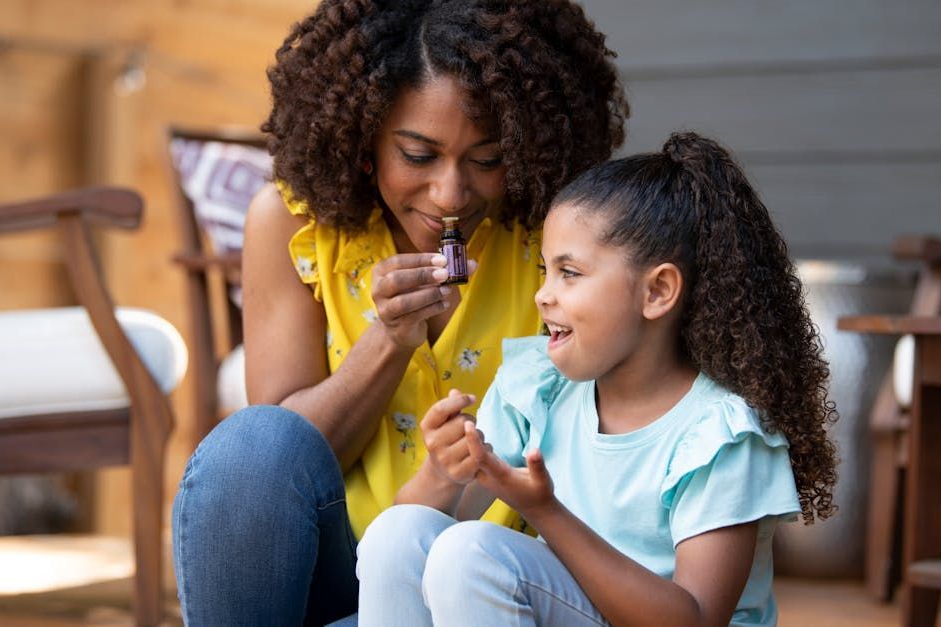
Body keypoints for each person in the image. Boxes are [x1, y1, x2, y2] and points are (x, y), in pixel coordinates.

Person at [170, 0, 627, 624]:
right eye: (418, 155)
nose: (451, 196)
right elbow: (277, 465)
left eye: (487, 160)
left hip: (487, 587)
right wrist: (387, 341)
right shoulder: (291, 225)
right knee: (251, 443)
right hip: (333, 572)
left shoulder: (558, 234)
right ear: (363, 139)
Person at [356, 131, 840, 626]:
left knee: (474, 554)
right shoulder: (538, 389)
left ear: (658, 291)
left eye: (570, 273)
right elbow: (419, 541)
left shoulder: (721, 436)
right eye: (545, 271)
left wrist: (547, 514)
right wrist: (443, 471)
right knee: (397, 532)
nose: (543, 296)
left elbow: (695, 619)